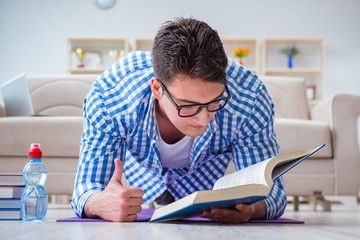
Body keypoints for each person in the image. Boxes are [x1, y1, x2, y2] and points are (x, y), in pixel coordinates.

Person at [71, 17, 287, 223]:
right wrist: (97, 203)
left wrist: (253, 209)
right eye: (188, 105)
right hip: (145, 176)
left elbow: (273, 193)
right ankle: (162, 197)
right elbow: (86, 188)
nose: (203, 120)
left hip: (204, 179)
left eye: (214, 102)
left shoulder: (250, 98)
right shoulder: (111, 95)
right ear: (157, 89)